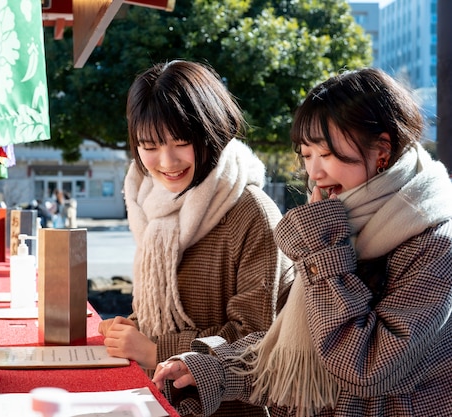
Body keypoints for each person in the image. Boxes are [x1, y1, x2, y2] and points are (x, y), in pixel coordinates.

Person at [152, 67, 452, 417]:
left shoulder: (434, 241)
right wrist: (212, 369)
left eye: (326, 154)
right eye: (307, 155)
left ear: (382, 150)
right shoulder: (343, 220)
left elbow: (365, 367)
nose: (314, 173)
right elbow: (293, 349)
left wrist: (324, 247)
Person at [97, 60, 293, 417]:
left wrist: (155, 348)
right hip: (163, 399)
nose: (166, 161)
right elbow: (165, 309)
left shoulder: (250, 211)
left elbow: (258, 339)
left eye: (182, 142)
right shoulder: (150, 204)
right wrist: (133, 328)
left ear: (212, 132)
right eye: (149, 145)